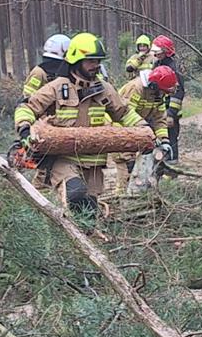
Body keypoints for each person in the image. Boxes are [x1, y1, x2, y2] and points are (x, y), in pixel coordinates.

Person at [14, 32, 141, 213]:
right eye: (90, 61)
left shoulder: (104, 89)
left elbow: (124, 113)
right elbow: (27, 107)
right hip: (64, 160)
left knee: (89, 212)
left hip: (94, 164)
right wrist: (25, 129)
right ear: (76, 60)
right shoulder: (58, 87)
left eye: (98, 61)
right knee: (75, 193)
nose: (96, 65)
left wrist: (144, 130)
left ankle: (75, 230)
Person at [111, 65, 179, 195]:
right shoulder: (136, 88)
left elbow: (159, 118)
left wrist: (164, 139)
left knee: (144, 166)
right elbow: (124, 114)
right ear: (154, 86)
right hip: (120, 129)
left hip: (140, 130)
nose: (164, 94)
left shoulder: (158, 93)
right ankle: (121, 197)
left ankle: (139, 195)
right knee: (127, 164)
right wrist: (145, 132)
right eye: (163, 91)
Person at [150, 35, 185, 161]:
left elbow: (178, 92)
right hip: (158, 110)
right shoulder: (157, 64)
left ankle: (172, 163)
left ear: (166, 51)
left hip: (170, 110)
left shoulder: (173, 68)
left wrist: (171, 113)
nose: (157, 54)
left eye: (159, 52)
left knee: (171, 137)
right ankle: (161, 161)